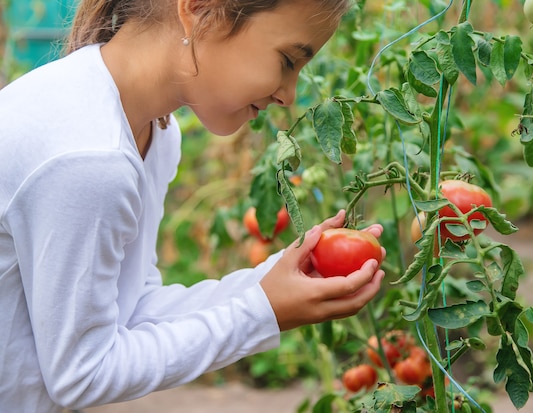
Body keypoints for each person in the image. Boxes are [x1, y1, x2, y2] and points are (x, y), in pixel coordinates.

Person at [0, 0, 386, 411]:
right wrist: (261, 312)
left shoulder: (151, 131)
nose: (289, 95)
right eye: (288, 60)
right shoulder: (91, 155)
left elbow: (131, 310)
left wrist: (267, 284)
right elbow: (82, 374)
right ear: (199, 9)